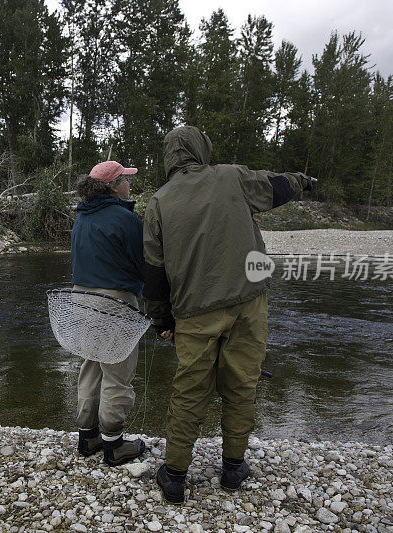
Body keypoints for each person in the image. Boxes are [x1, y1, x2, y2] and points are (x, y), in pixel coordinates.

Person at [143, 126, 316, 503]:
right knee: (242, 384)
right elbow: (277, 186)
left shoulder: (158, 201)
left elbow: (154, 272)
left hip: (193, 313)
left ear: (169, 156)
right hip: (247, 303)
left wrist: (162, 322)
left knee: (189, 391)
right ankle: (234, 468)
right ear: (202, 149)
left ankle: (174, 475)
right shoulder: (230, 176)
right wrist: (303, 181)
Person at [71, 160, 148, 467]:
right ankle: (114, 445)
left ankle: (87, 437)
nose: (130, 184)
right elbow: (145, 264)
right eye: (126, 179)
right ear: (115, 186)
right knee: (117, 372)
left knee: (92, 365)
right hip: (114, 301)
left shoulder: (81, 217)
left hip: (81, 299)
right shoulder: (123, 218)